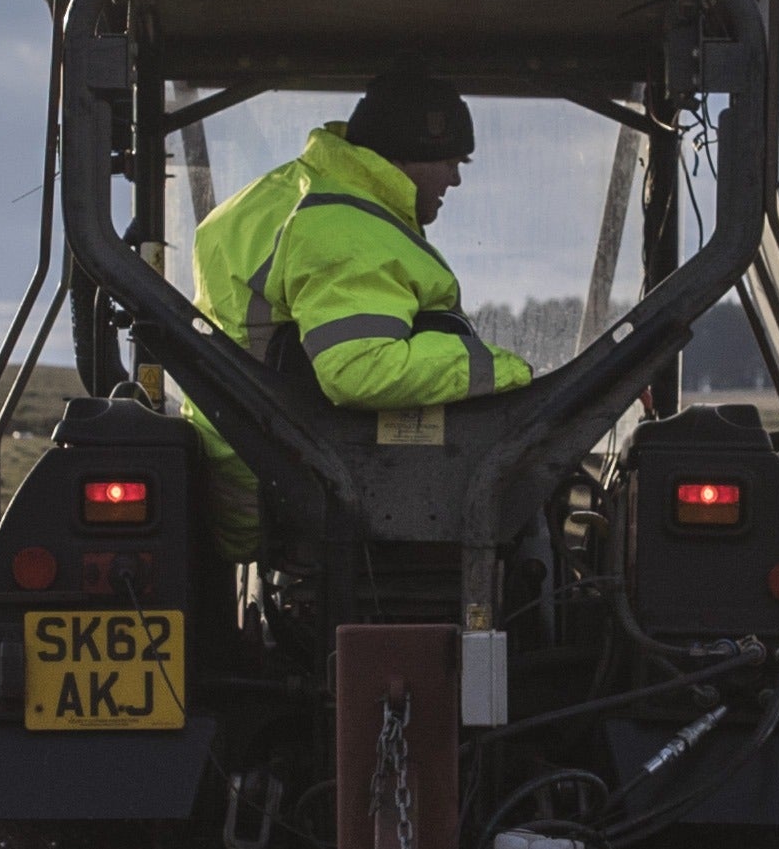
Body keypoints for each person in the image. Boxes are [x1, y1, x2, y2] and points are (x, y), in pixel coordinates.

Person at [176, 67, 527, 549]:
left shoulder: (276, 197)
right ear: (409, 156)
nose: (456, 179)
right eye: (450, 161)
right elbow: (359, 371)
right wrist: (508, 372)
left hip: (244, 462)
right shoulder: (344, 225)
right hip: (288, 489)